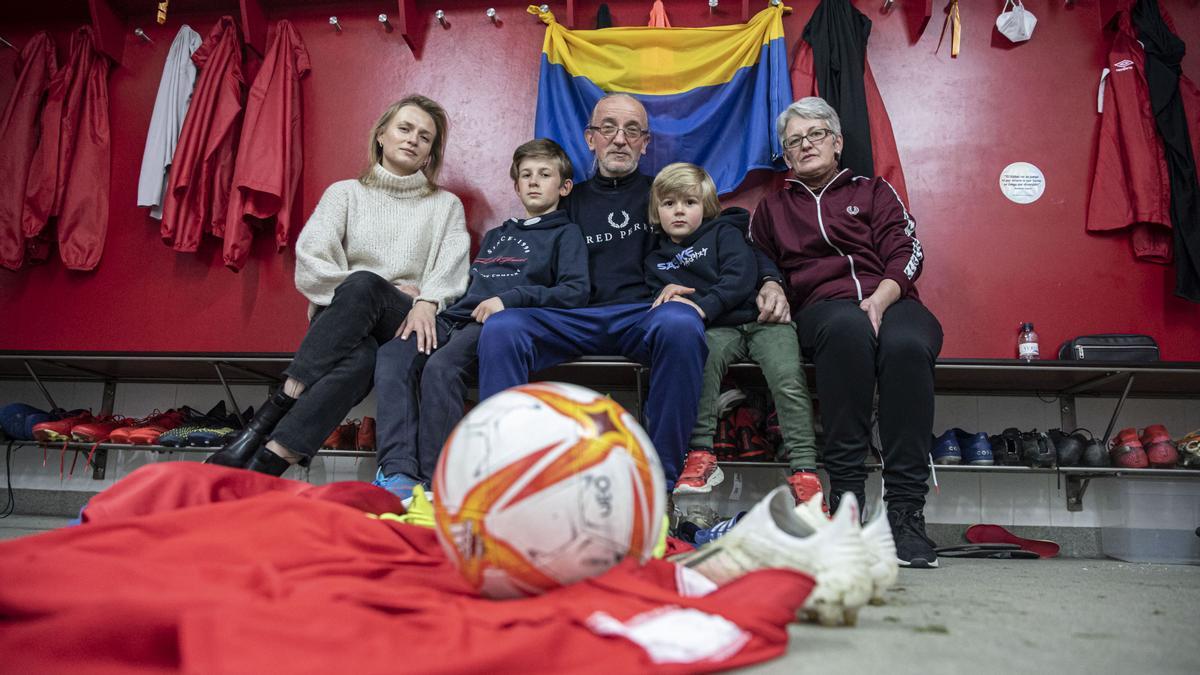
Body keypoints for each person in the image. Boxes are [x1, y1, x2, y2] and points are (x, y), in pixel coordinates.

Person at [477, 94, 791, 490]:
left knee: (681, 322)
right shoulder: (567, 199)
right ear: (591, 138)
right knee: (503, 329)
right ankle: (505, 479)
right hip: (573, 315)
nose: (620, 139)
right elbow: (525, 252)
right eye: (608, 128)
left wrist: (769, 279)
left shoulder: (664, 194)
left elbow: (728, 233)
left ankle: (660, 483)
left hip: (644, 315)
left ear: (645, 143)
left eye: (632, 131)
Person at [207, 95, 470, 476]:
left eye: (425, 137)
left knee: (365, 284)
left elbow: (452, 267)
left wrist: (428, 300)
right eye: (405, 128)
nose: (413, 139)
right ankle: (270, 462)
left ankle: (271, 411)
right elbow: (312, 262)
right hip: (345, 319)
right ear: (381, 135)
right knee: (359, 356)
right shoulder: (344, 194)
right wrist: (374, 287)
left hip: (404, 322)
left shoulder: (445, 205)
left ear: (430, 154)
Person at [750, 96, 943, 568]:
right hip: (824, 310)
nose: (805, 144)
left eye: (816, 134)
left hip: (892, 300)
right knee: (847, 329)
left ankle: (905, 514)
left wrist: (883, 296)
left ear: (837, 142)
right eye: (794, 140)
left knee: (906, 344)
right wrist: (770, 282)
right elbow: (756, 260)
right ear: (787, 155)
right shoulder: (772, 208)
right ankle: (847, 506)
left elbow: (908, 249)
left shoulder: (874, 190)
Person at [371, 139, 589, 501]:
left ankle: (437, 483)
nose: (534, 182)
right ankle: (398, 471)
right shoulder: (496, 236)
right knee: (394, 354)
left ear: (564, 187)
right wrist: (425, 297)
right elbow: (463, 284)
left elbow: (575, 292)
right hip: (452, 317)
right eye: (526, 175)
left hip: (493, 326)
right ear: (516, 185)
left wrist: (510, 299)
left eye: (545, 175)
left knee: (441, 368)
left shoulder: (566, 234)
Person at [644, 163, 819, 504]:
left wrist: (701, 306)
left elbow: (739, 279)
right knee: (701, 366)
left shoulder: (724, 233)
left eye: (689, 202)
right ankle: (701, 454)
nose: (679, 210)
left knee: (787, 376)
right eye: (669, 204)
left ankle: (805, 472)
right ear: (656, 211)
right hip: (720, 329)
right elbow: (662, 296)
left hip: (763, 321)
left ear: (706, 207)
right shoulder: (655, 261)